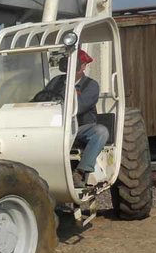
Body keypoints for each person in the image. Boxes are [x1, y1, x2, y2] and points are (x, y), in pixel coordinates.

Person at [32, 49, 108, 188]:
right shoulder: (56, 81)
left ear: (83, 66)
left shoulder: (91, 85)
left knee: (101, 132)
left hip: (78, 128)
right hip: (55, 127)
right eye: (67, 62)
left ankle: (80, 171)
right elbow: (41, 98)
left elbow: (78, 107)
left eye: (74, 63)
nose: (69, 66)